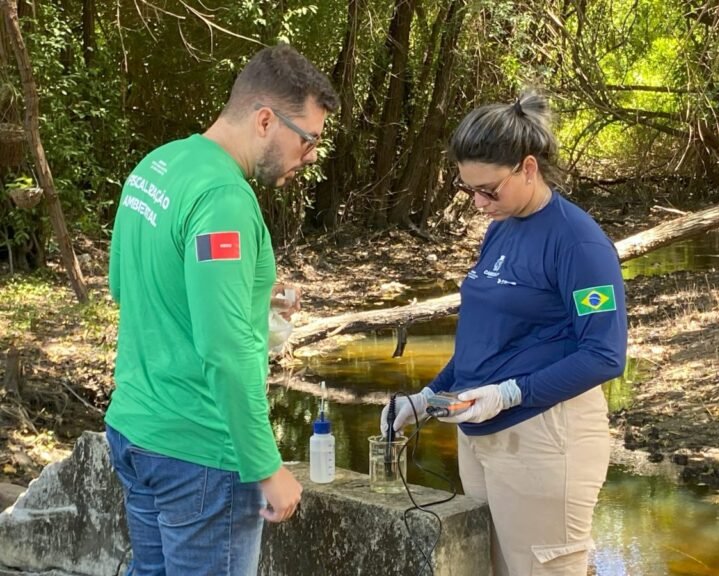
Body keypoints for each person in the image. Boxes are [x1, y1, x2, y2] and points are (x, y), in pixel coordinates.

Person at [106, 44, 338, 575]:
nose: (311, 155)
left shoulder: (158, 165)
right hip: (199, 452)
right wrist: (265, 466)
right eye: (309, 139)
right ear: (265, 120)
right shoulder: (225, 200)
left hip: (136, 431)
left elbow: (130, 284)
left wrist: (252, 293)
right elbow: (226, 350)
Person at [381, 90, 627, 576]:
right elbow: (485, 340)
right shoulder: (502, 227)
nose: (477, 203)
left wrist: (513, 393)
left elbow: (604, 354)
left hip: (547, 437)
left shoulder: (579, 243)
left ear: (528, 168)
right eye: (468, 190)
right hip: (481, 433)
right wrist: (429, 396)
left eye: (488, 190)